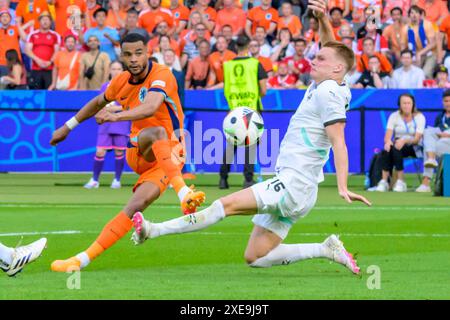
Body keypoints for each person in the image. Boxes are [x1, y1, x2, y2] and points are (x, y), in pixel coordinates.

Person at [131, 0, 370, 274]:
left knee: (225, 205)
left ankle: (152, 230)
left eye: (321, 59)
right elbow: (334, 52)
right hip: (299, 187)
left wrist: (342, 185)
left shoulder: (328, 93)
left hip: (294, 185)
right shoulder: (335, 83)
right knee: (256, 256)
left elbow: (339, 140)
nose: (314, 59)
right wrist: (324, 20)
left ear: (336, 69)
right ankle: (325, 248)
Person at [48, 33, 206, 272]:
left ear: (148, 52)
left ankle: (80, 260)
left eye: (138, 53)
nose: (133, 59)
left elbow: (151, 106)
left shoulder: (163, 74)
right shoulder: (121, 81)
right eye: (128, 54)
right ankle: (183, 192)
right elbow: (97, 102)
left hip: (170, 157)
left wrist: (116, 115)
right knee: (156, 133)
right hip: (140, 150)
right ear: (121, 56)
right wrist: (67, 127)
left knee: (136, 206)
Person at [220, 34, 268, 189]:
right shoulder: (255, 64)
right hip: (251, 109)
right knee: (251, 143)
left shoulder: (227, 66)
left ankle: (223, 179)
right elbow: (263, 90)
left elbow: (226, 88)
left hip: (233, 109)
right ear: (248, 47)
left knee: (231, 143)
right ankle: (248, 180)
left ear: (236, 47)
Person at [84, 61, 130, 190]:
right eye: (113, 69)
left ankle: (117, 180)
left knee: (119, 151)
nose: (116, 71)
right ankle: (94, 180)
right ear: (109, 71)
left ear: (123, 71)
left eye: (118, 69)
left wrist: (112, 110)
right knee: (100, 151)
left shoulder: (128, 86)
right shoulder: (104, 86)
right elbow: (100, 104)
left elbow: (129, 106)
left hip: (121, 122)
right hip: (106, 124)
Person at [375, 93, 426, 192]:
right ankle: (384, 181)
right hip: (397, 145)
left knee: (395, 148)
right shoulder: (394, 116)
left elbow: (417, 139)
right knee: (388, 148)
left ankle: (400, 181)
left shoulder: (420, 117)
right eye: (404, 103)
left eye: (409, 103)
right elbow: (388, 136)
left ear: (413, 104)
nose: (406, 106)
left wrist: (405, 140)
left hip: (414, 146)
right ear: (400, 105)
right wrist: (388, 142)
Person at [416, 93, 450, 191]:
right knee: (427, 132)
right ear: (442, 102)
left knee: (431, 146)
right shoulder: (440, 116)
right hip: (441, 143)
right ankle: (431, 158)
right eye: (446, 101)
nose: (448, 103)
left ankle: (426, 182)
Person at [25, 11, 61, 90]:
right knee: (35, 93)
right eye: (43, 19)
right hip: (35, 68)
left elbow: (57, 51)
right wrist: (38, 60)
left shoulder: (55, 35)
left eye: (47, 19)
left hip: (50, 69)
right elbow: (27, 50)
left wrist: (50, 62)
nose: (45, 21)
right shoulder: (32, 34)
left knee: (50, 94)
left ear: (50, 22)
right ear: (39, 21)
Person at [406, 5, 437, 79]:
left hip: (430, 54)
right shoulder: (406, 28)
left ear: (420, 15)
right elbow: (404, 47)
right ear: (409, 15)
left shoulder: (427, 25)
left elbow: (433, 43)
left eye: (416, 13)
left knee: (425, 73)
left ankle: (429, 89)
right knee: (414, 75)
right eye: (412, 13)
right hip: (415, 55)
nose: (414, 15)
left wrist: (419, 53)